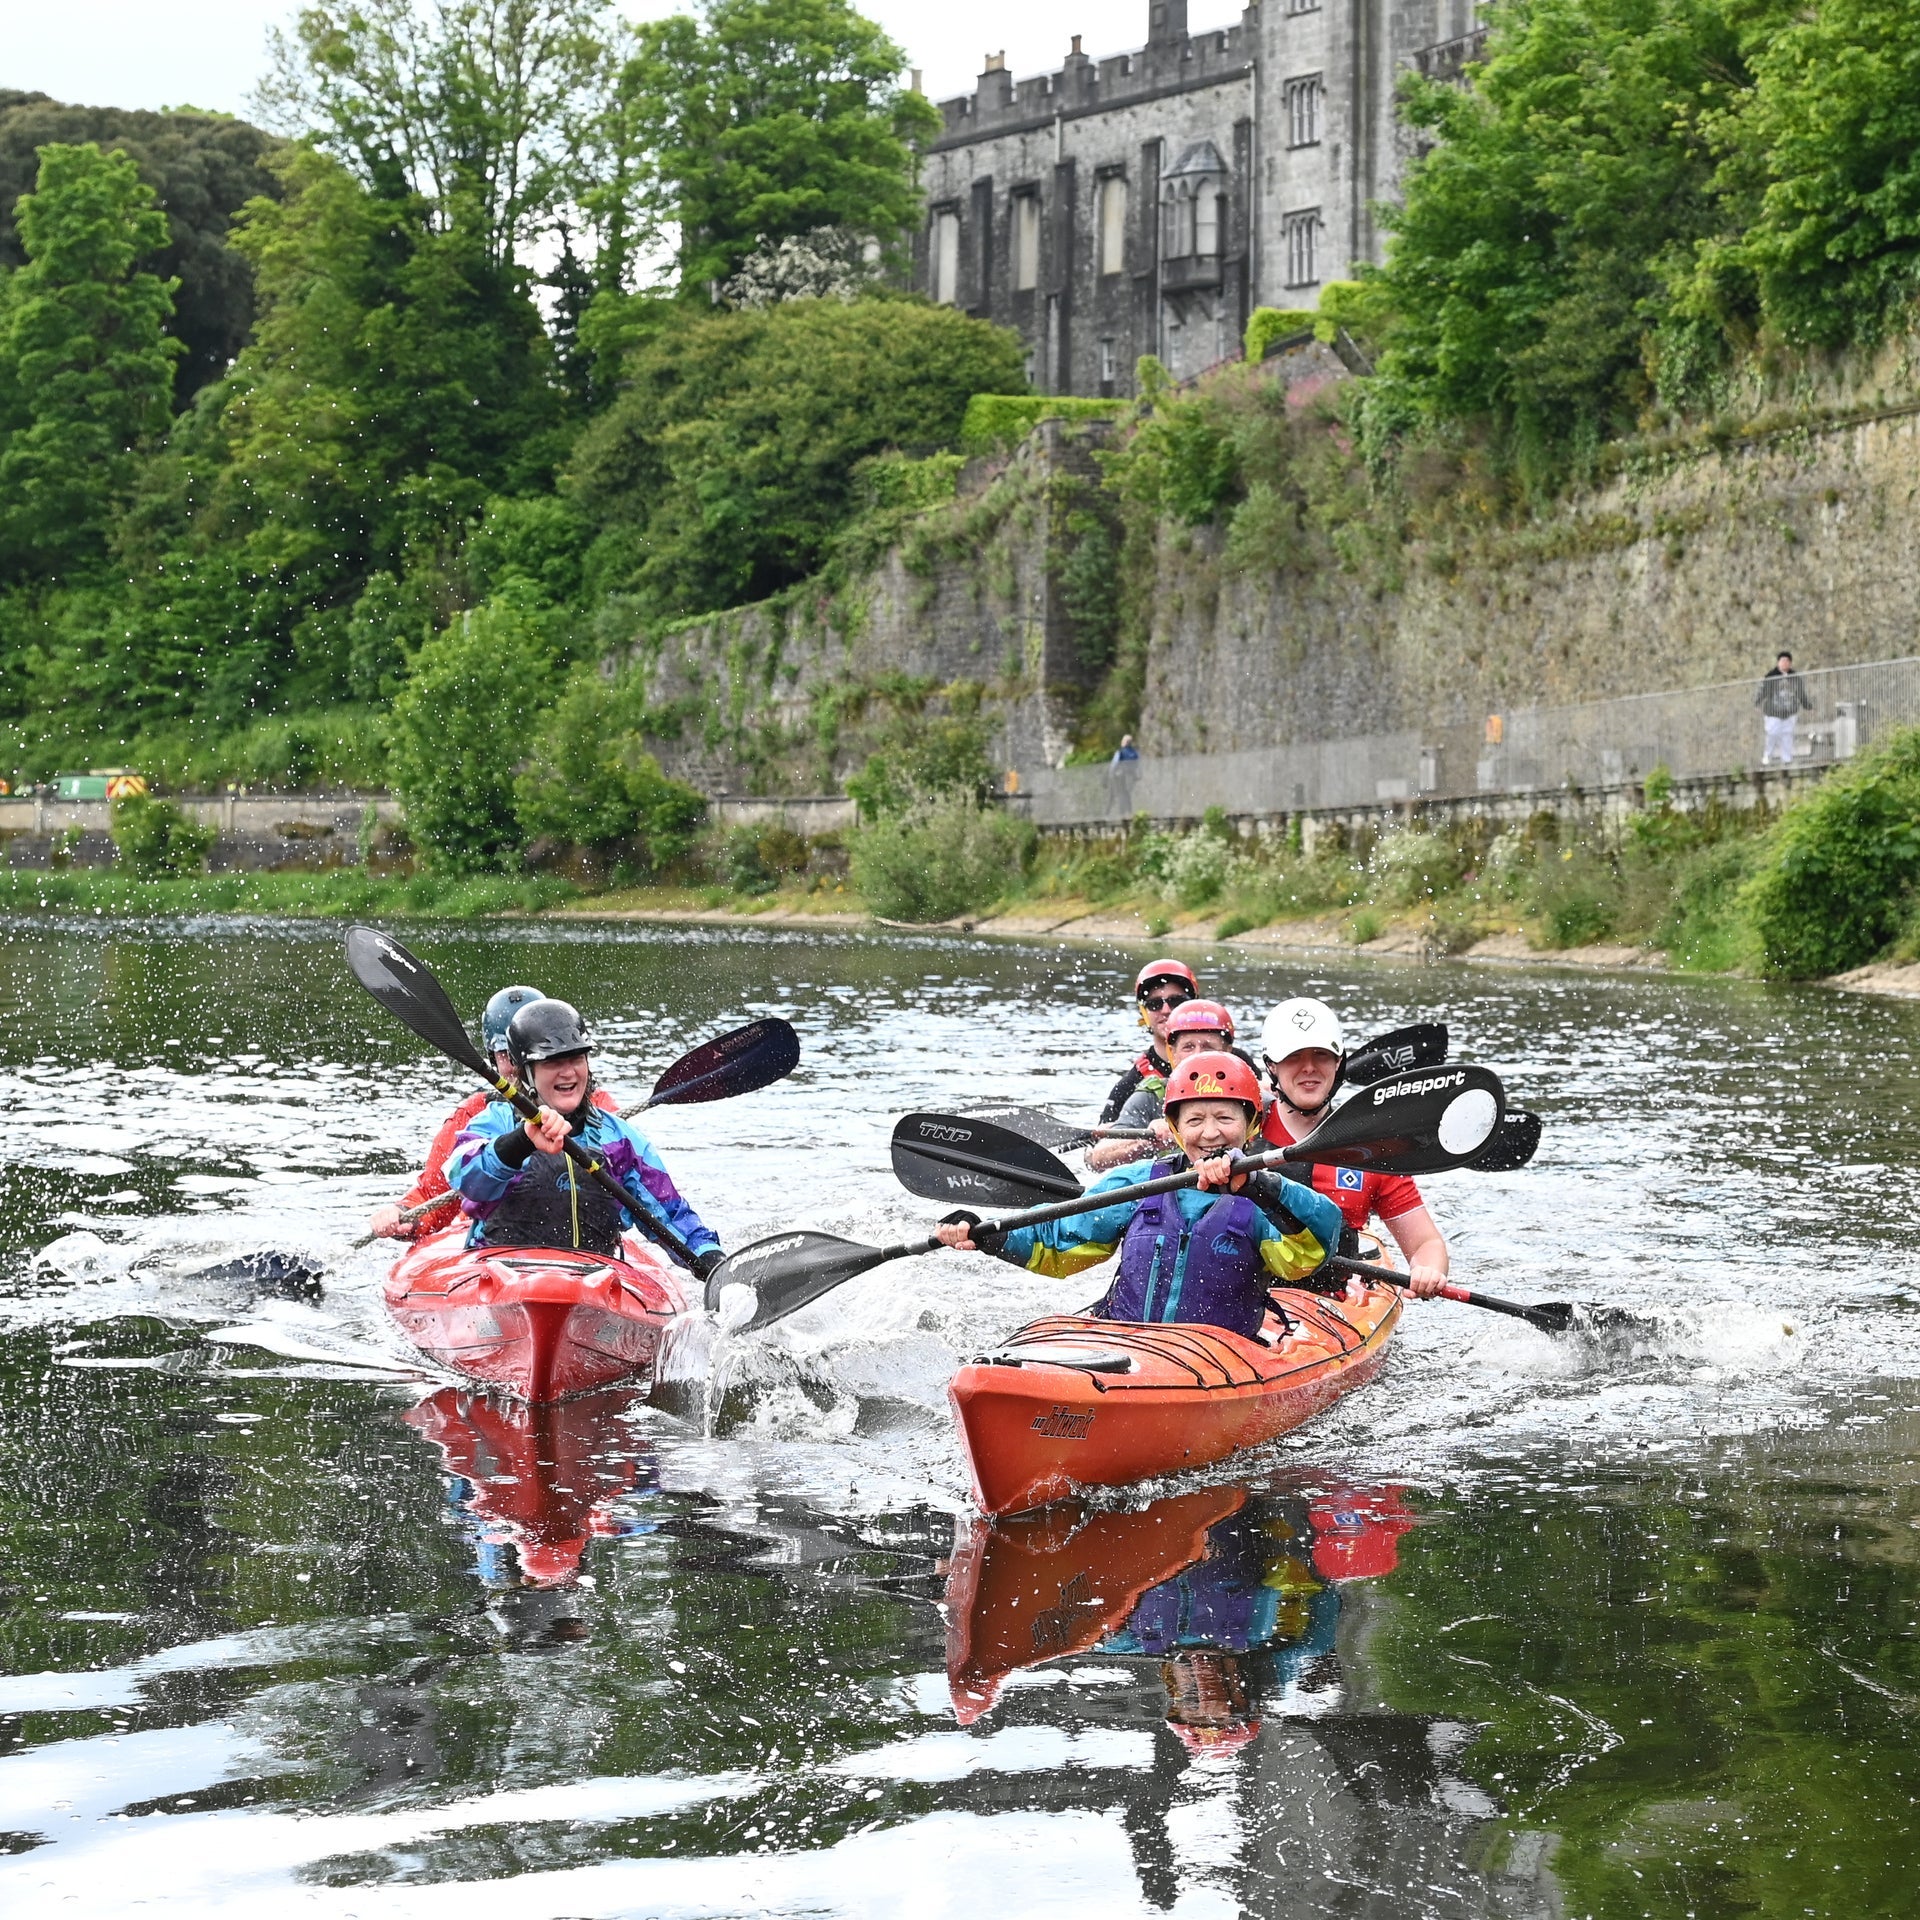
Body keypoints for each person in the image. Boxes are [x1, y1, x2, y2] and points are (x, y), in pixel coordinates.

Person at [937, 1052, 1343, 1338]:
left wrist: (1259, 1186)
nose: (1210, 1132)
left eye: (1225, 1117)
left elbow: (1314, 1248)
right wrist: (993, 1235)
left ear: (1251, 1126)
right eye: (1196, 1119)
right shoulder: (1138, 1183)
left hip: (1218, 1359)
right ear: (1177, 1128)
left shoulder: (1267, 1198)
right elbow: (1061, 1237)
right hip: (1129, 1344)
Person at [446, 998, 723, 1275]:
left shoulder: (618, 1139)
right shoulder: (494, 1122)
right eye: (552, 1061)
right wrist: (522, 1141)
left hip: (593, 1277)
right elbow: (462, 1175)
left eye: (576, 1058)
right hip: (500, 1272)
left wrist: (709, 1258)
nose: (568, 1072)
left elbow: (669, 1213)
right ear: (526, 1072)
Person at [366, 984, 618, 1241]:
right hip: (494, 1243)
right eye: (506, 1054)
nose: (517, 1066)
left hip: (585, 1236)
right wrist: (406, 1214)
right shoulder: (474, 1113)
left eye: (541, 1055)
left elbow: (633, 1180)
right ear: (492, 1059)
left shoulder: (599, 1109)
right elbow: (436, 1194)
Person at [1258, 997, 1451, 1300]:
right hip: (1251, 1291)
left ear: (1338, 1063)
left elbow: (1426, 1244)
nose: (1309, 1067)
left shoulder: (1370, 1148)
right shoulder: (1242, 1126)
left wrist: (1427, 1270)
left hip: (1333, 1299)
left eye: (1321, 1055)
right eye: (1294, 1057)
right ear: (1272, 1066)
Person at [1087, 998, 1243, 1172]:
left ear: (1228, 1051)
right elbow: (1098, 1158)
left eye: (1208, 1047)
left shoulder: (1252, 1094)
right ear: (1173, 1054)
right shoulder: (1150, 1096)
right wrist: (1145, 1139)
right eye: (1188, 1047)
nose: (1197, 1056)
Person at [1099, 959, 1198, 1125]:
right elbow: (1100, 1147)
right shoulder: (1128, 1087)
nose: (1166, 1010)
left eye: (1176, 1001)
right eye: (1155, 1004)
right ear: (1143, 1013)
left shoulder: (1236, 1063)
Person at [1755, 650, 1812, 765]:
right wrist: (1757, 702)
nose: (1784, 663)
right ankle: (1767, 756)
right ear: (1778, 663)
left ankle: (1787, 759)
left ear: (1790, 663)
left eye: (1787, 661)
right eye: (1782, 661)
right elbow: (1763, 690)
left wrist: (1807, 705)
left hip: (1789, 712)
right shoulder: (1771, 676)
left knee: (1787, 735)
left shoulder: (1795, 678)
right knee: (1772, 733)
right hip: (1773, 712)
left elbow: (1801, 693)